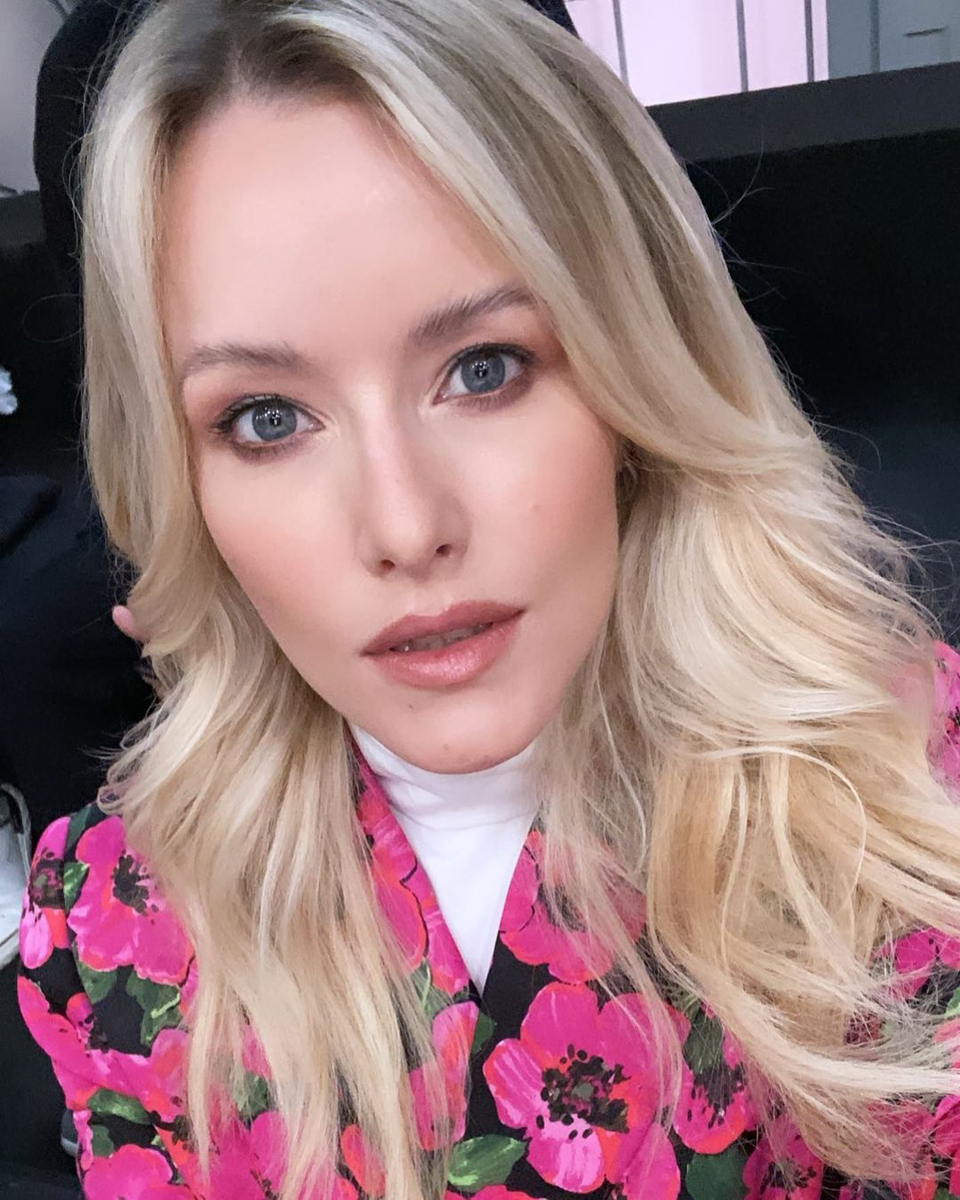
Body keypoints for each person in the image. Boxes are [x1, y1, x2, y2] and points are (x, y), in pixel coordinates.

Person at [15, 0, 960, 1196]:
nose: (406, 527)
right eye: (266, 419)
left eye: (484, 368)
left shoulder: (908, 807)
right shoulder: (112, 918)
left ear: (634, 368)